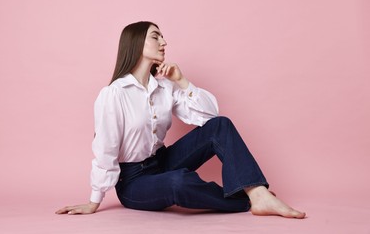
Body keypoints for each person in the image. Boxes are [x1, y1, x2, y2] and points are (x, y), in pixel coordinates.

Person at [56, 21, 305, 219]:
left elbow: (210, 117)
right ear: (135, 42)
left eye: (162, 36)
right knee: (179, 182)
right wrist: (93, 200)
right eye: (156, 36)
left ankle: (258, 193)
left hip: (162, 161)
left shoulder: (165, 88)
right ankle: (246, 201)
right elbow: (105, 149)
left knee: (221, 125)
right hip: (133, 182)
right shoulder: (113, 94)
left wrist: (181, 80)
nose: (164, 42)